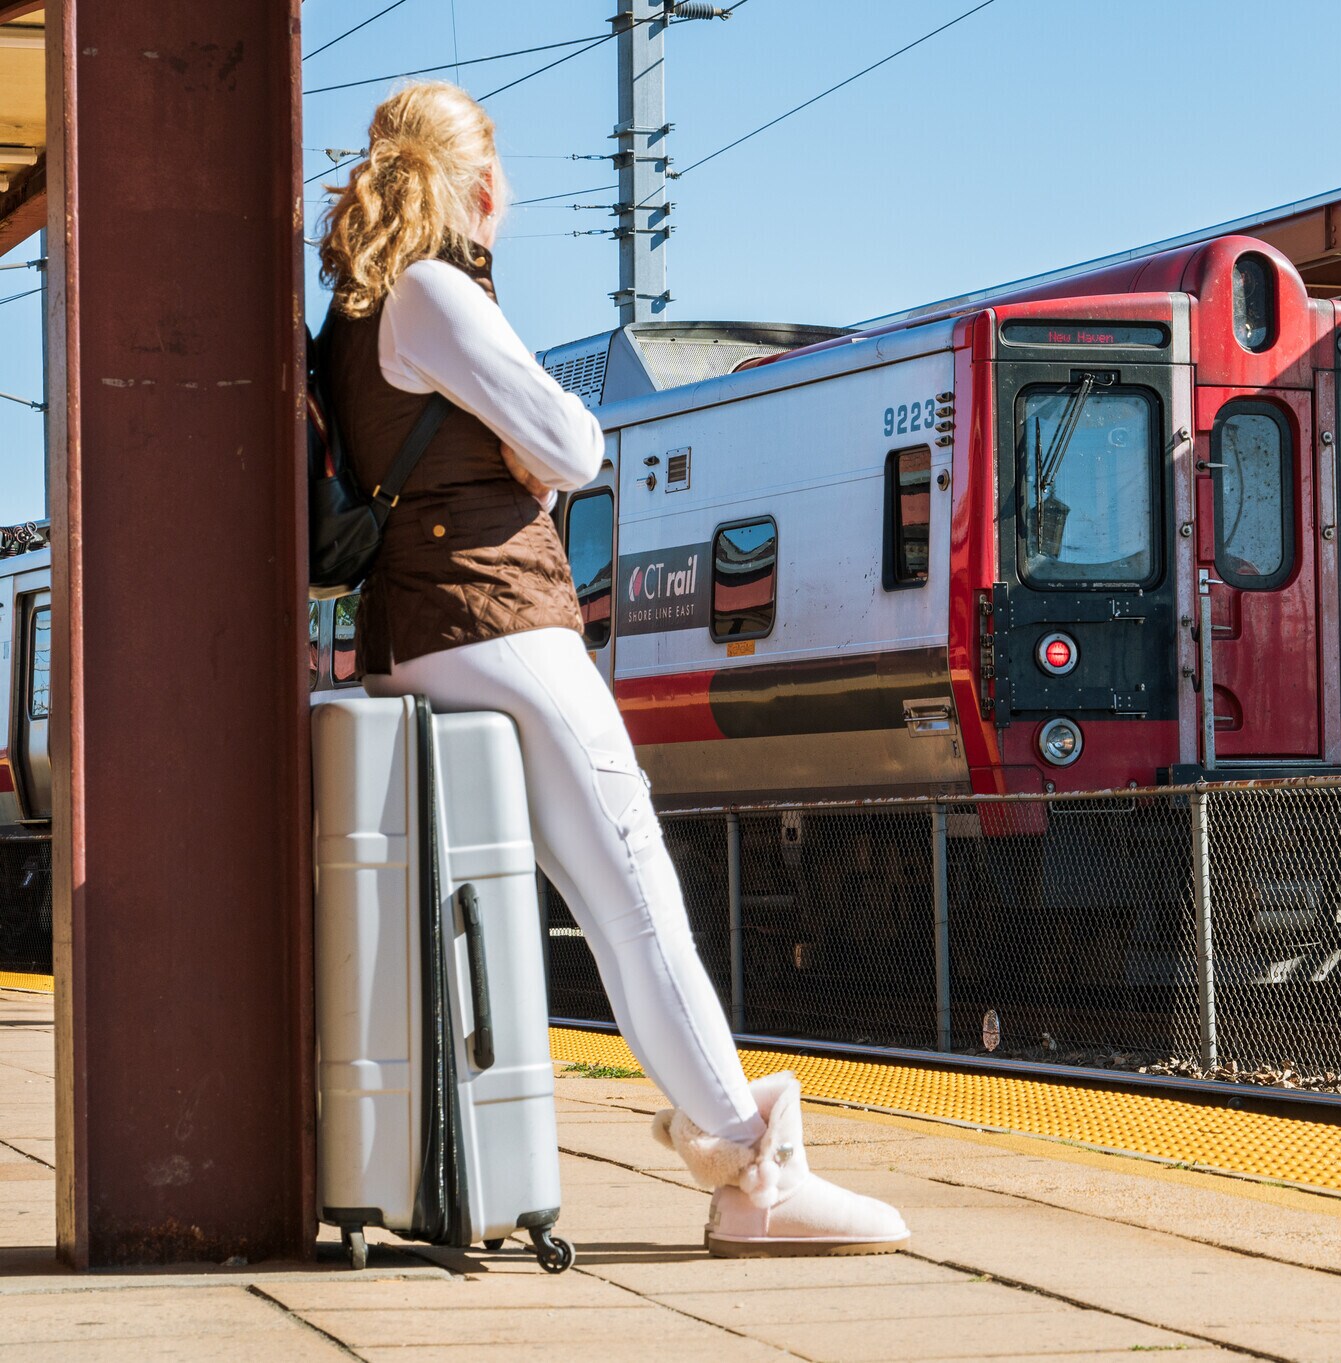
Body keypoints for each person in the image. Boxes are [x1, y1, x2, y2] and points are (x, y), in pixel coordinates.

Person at [316, 81, 908, 1258]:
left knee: (571, 898)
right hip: (500, 625)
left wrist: (518, 450)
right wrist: (532, 454)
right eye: (507, 185)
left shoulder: (355, 311)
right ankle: (755, 1174)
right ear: (478, 185)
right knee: (633, 891)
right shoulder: (433, 291)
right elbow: (578, 441)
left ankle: (697, 1157)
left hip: (423, 629)